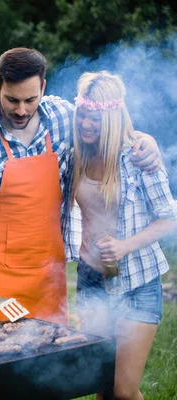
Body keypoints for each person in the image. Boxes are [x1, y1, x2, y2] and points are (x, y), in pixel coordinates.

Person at [0, 47, 163, 329]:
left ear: (43, 88)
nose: (21, 110)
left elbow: (107, 126)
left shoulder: (63, 117)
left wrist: (145, 140)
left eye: (30, 99)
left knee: (47, 366)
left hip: (48, 278)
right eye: (12, 100)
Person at [70, 71, 177, 400]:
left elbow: (169, 218)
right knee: (101, 385)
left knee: (123, 390)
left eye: (96, 118)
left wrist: (124, 246)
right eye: (83, 115)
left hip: (137, 284)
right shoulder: (75, 153)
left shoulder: (138, 158)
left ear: (114, 117)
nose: (87, 124)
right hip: (90, 280)